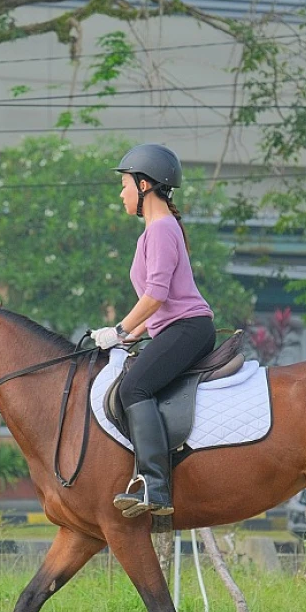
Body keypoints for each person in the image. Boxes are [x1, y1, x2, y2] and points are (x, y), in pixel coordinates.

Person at [90, 144, 216, 519]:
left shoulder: (161, 230)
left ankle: (155, 485)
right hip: (176, 328)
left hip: (188, 329)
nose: (121, 194)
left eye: (125, 185)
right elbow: (158, 303)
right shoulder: (153, 232)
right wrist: (128, 336)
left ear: (144, 185)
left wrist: (118, 329)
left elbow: (156, 295)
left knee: (134, 388)